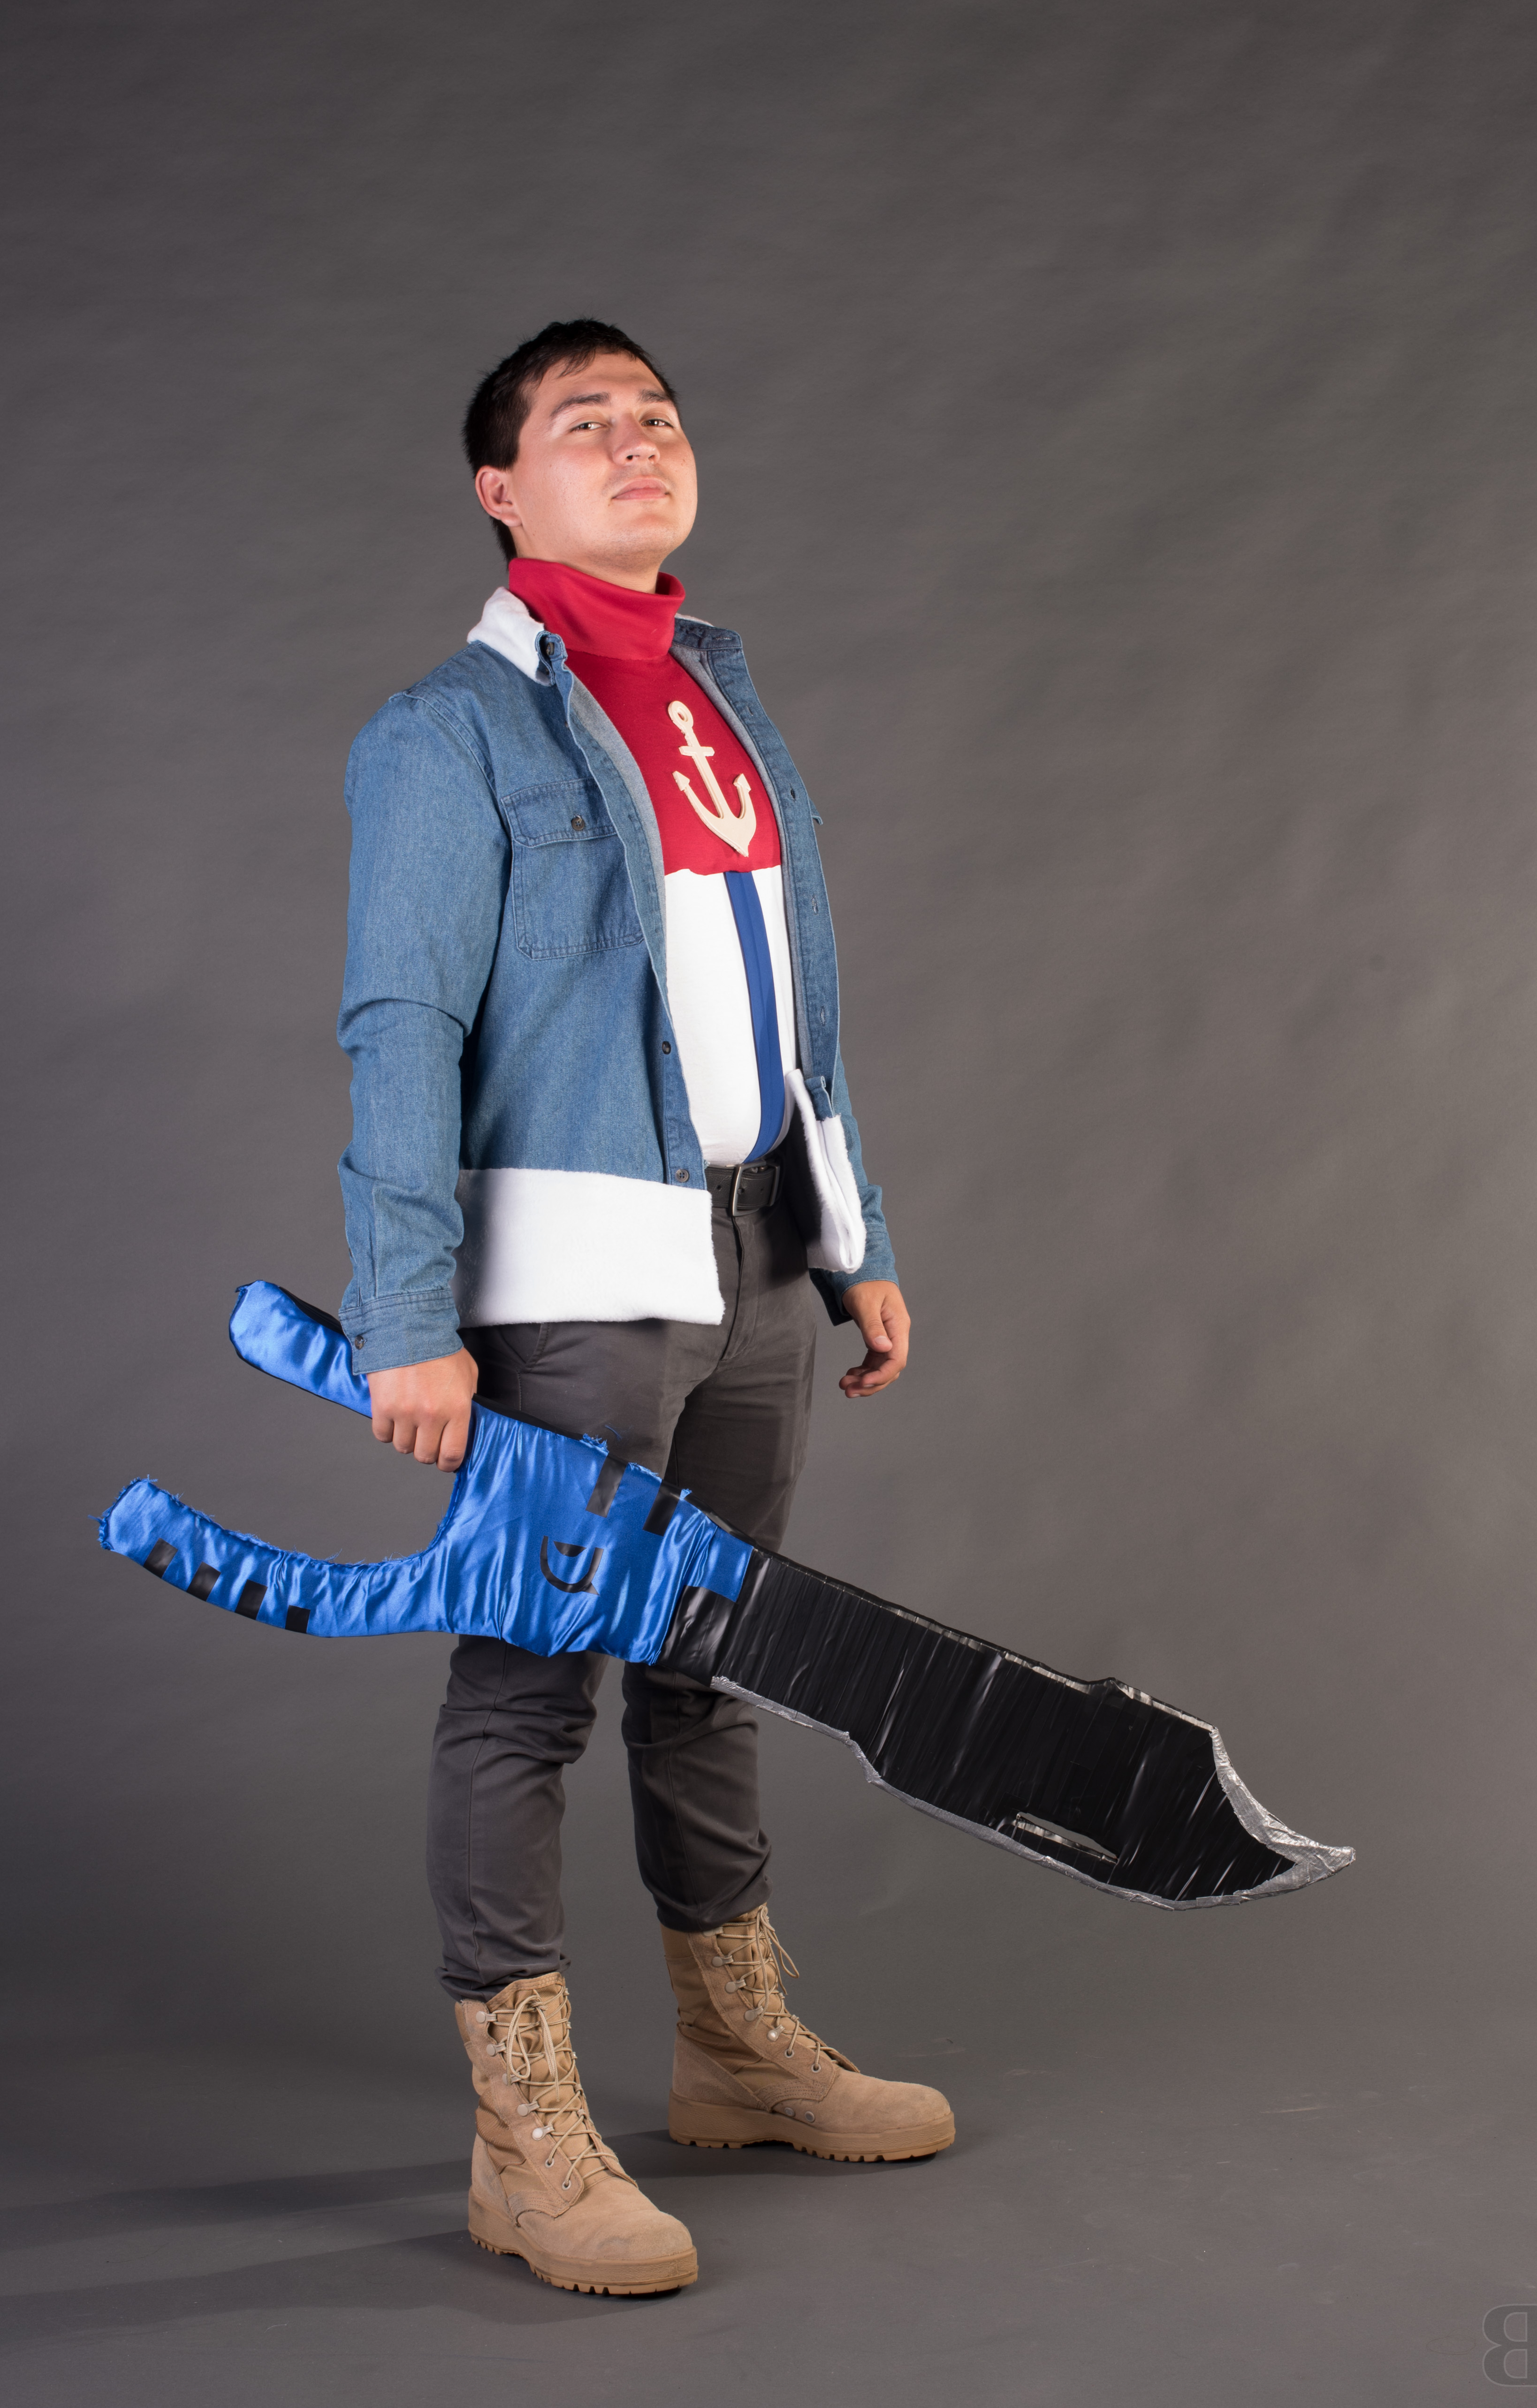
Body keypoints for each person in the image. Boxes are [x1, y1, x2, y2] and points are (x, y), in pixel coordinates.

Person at [335, 320, 953, 2297]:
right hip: (577, 1282)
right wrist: (404, 1308)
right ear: (498, 490)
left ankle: (730, 2050)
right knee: (532, 1682)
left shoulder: (716, 700)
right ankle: (520, 2142)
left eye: (659, 418)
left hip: (752, 1253)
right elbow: (400, 1026)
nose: (635, 443)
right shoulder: (447, 731)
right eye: (582, 423)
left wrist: (848, 1234)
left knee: (712, 1656)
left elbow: (789, 1008)